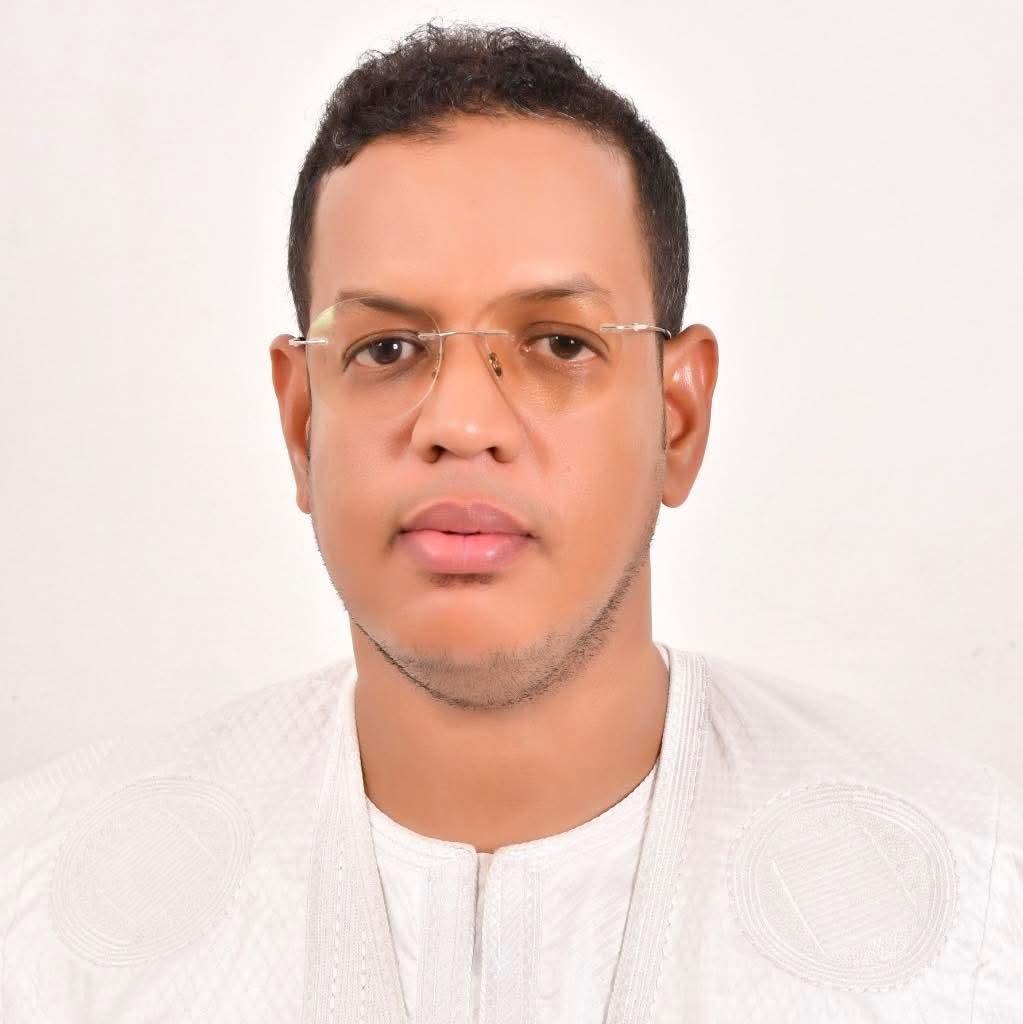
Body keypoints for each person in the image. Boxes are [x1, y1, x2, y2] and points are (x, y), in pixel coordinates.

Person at [1, 19, 1019, 1023]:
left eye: (560, 344)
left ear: (676, 418)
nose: (461, 423)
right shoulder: (40, 916)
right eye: (386, 350)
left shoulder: (976, 927)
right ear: (303, 421)